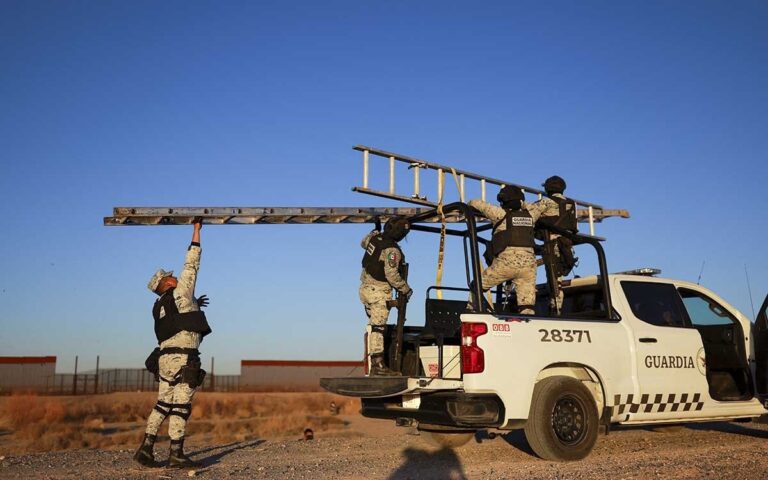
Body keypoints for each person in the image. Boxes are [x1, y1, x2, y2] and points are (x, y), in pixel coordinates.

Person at [134, 219, 212, 468]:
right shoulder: (181, 292)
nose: (176, 276)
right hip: (184, 359)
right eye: (171, 276)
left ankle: (146, 449)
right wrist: (196, 230)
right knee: (181, 407)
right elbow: (192, 263)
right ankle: (176, 455)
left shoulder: (159, 306)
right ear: (166, 283)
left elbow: (177, 321)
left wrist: (195, 303)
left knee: (162, 403)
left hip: (165, 360)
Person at [468, 186, 541, 314]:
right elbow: (540, 206)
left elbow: (475, 203)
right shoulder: (532, 214)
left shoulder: (499, 214)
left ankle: (472, 311)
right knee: (526, 307)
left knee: (477, 286)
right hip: (528, 267)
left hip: (505, 264)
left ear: (503, 202)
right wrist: (524, 205)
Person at [359, 217, 412, 376]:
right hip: (379, 292)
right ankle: (378, 365)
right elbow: (391, 275)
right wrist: (405, 289)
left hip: (365, 288)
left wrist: (375, 232)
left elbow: (364, 242)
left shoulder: (375, 239)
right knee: (378, 328)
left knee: (374, 326)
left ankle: (375, 362)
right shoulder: (392, 251)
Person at [530, 175, 578, 314]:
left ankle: (556, 310)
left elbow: (528, 218)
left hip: (552, 244)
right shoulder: (572, 203)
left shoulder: (544, 203)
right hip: (567, 246)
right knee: (558, 279)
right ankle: (557, 307)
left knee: (554, 282)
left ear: (547, 188)